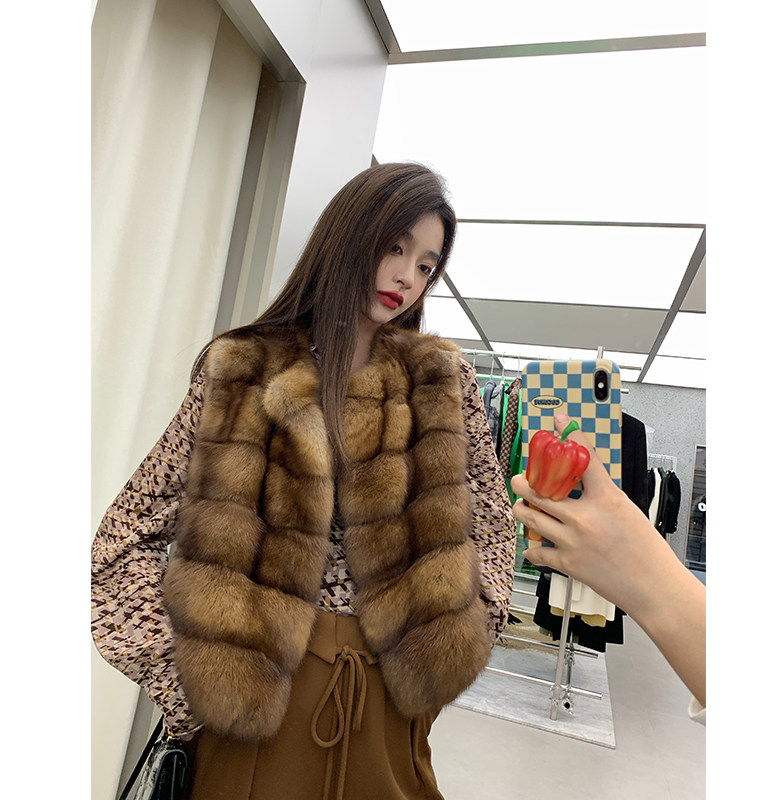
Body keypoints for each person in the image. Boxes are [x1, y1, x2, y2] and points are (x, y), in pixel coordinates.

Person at [91, 162, 518, 800]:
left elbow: (492, 526)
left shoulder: (441, 381)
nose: (407, 276)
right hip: (252, 716)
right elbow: (121, 543)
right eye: (395, 247)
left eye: (427, 265)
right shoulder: (244, 368)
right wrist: (195, 681)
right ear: (348, 237)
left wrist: (453, 650)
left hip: (388, 714)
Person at [511, 413, 706, 721]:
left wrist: (642, 564)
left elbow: (636, 492)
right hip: (582, 534)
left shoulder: (632, 429)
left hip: (600, 537)